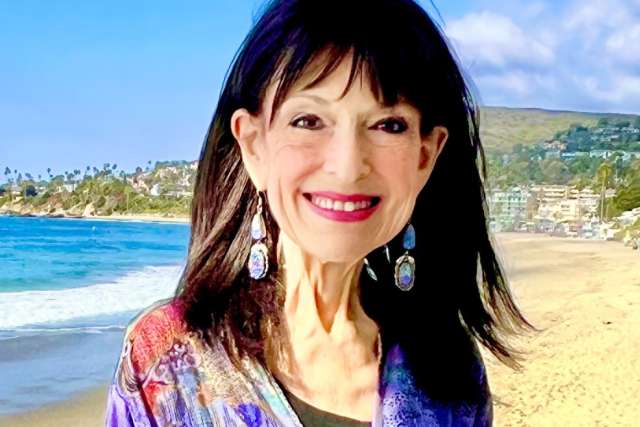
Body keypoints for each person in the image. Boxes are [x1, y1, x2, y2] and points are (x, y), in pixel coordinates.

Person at [104, 0, 535, 425]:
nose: (347, 167)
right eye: (309, 121)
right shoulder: (165, 363)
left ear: (425, 156)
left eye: (388, 125)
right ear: (254, 147)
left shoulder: (447, 373)